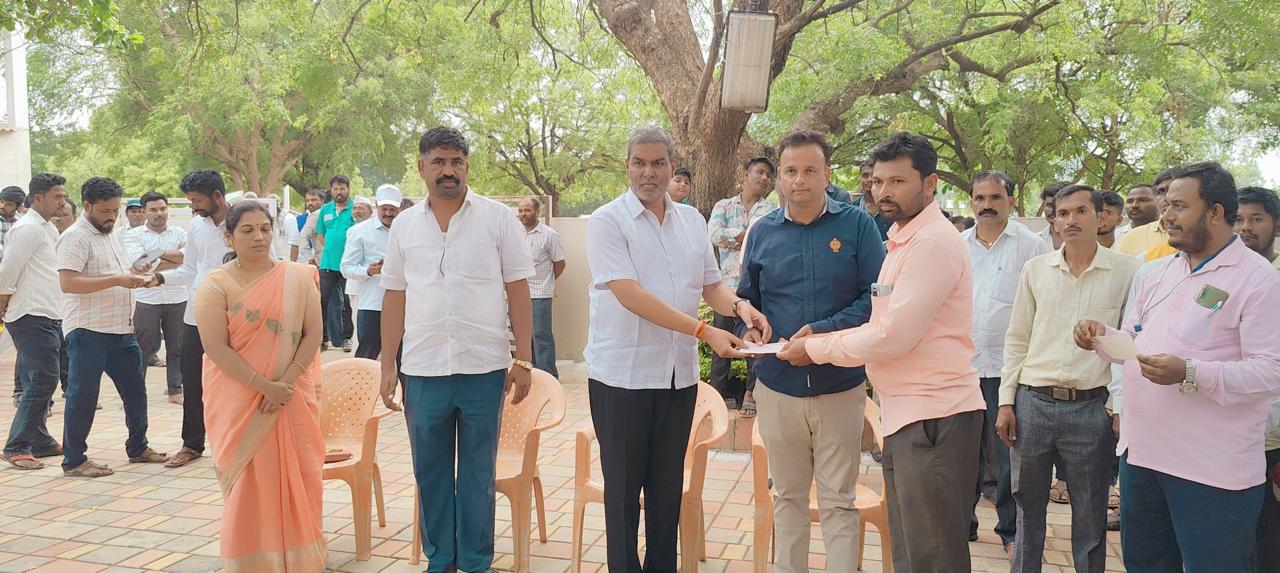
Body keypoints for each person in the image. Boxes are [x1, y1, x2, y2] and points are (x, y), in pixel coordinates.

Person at [778, 132, 986, 572]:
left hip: (933, 415)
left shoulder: (930, 244)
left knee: (933, 554)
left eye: (898, 181)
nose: (884, 191)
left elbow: (892, 336)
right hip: (908, 414)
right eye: (878, 181)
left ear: (930, 184)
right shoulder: (903, 239)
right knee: (911, 547)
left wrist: (816, 347)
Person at [1075, 162, 1280, 571]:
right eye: (1166, 205)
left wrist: (1189, 372)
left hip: (1211, 471)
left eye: (1180, 206)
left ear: (1215, 212)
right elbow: (1137, 340)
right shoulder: (1159, 272)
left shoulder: (1258, 280)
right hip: (1143, 457)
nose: (1166, 215)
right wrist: (1101, 338)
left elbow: (1271, 371)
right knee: (1146, 564)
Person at [585, 126, 768, 573]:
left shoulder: (691, 220)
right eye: (639, 163)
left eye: (658, 163)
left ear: (671, 166)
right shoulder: (607, 221)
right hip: (622, 377)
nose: (648, 172)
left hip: (676, 377)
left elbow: (711, 286)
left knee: (667, 489)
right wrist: (703, 332)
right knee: (623, 491)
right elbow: (630, 295)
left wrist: (741, 308)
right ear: (627, 166)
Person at [378, 127, 536, 573]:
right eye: (439, 162)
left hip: (483, 368)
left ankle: (475, 561)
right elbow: (394, 295)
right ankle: (440, 560)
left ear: (467, 166)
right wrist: (388, 364)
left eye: (456, 162)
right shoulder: (405, 225)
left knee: (478, 473)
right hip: (422, 368)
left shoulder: (498, 219)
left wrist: (523, 358)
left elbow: (518, 289)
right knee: (429, 471)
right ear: (422, 167)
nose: (448, 170)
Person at [737, 129, 885, 573]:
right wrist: (750, 324)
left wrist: (819, 336)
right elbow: (748, 299)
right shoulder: (762, 232)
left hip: (839, 383)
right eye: (790, 171)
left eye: (809, 170)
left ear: (827, 174)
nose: (799, 180)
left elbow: (877, 298)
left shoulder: (857, 226)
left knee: (839, 500)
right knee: (787, 497)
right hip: (778, 387)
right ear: (779, 177)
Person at [996, 185, 1139, 572]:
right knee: (1027, 508)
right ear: (1054, 220)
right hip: (1032, 404)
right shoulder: (1036, 269)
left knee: (1090, 514)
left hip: (1091, 408)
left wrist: (1117, 406)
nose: (1070, 220)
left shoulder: (1128, 271)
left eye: (1080, 211)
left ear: (1101, 217)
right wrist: (1007, 401)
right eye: (1062, 213)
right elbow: (1017, 338)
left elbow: (1130, 345)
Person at [195, 201, 327, 572]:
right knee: (250, 482)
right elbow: (215, 347)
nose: (259, 237)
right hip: (239, 398)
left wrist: (283, 384)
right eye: (248, 230)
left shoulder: (298, 277)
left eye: (265, 228)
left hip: (290, 395)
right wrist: (264, 387)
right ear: (229, 237)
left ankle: (302, 561)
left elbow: (313, 333)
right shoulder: (215, 284)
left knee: (302, 475)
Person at [961, 169, 1048, 554]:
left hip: (1009, 370)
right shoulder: (957, 246)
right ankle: (962, 526)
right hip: (963, 367)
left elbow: (1044, 306)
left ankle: (1011, 533)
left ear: (1011, 201)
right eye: (979, 198)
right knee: (963, 454)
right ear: (971, 202)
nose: (987, 205)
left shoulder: (1031, 247)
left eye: (995, 198)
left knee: (1010, 458)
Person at [57, 177, 167, 477]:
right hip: (88, 330)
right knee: (83, 397)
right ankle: (74, 460)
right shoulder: (75, 237)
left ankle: (138, 447)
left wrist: (135, 273)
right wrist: (118, 279)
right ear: (87, 206)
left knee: (136, 392)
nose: (112, 216)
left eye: (116, 210)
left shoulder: (111, 234)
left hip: (121, 329)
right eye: (105, 211)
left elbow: (116, 273)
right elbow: (68, 282)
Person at [153, 170, 231, 469]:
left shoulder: (244, 221)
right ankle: (192, 444)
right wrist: (160, 278)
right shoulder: (197, 225)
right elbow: (190, 269)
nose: (193, 207)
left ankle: (237, 443)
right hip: (197, 315)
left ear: (216, 196)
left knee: (236, 382)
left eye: (197, 200)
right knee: (193, 380)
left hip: (235, 316)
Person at [0, 174, 68, 470]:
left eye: (63, 196)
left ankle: (39, 440)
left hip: (49, 311)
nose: (62, 202)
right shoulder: (27, 228)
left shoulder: (47, 228)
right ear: (38, 198)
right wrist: (2, 305)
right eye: (57, 197)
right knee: (44, 378)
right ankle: (17, 446)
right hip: (30, 313)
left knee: (37, 379)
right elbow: (7, 271)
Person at [707, 157, 778, 415]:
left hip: (755, 288)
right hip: (725, 290)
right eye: (759, 172)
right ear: (746, 174)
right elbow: (713, 234)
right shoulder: (724, 205)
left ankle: (751, 391)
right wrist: (746, 236)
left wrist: (734, 237)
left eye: (768, 174)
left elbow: (768, 241)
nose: (764, 177)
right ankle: (718, 391)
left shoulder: (771, 210)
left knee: (756, 341)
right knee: (721, 341)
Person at [1234, 186, 1280, 569]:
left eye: (1256, 219)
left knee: (1268, 539)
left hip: (1272, 439)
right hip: (1226, 433)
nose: (1245, 227)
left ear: (1276, 225)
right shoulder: (1223, 277)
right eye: (1238, 219)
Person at [122, 192, 187, 403]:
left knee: (177, 346)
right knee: (141, 348)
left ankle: (175, 390)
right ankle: (135, 394)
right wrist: (173, 257)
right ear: (144, 212)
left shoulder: (179, 232)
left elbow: (188, 259)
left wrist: (155, 254)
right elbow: (139, 264)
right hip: (147, 297)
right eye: (153, 210)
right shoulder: (134, 235)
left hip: (177, 295)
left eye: (162, 209)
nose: (159, 213)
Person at [341, 184, 401, 359]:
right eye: (384, 209)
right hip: (373, 304)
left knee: (403, 357)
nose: (388, 213)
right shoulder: (359, 232)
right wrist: (368, 270)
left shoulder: (408, 229)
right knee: (367, 355)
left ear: (399, 208)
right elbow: (346, 268)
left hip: (404, 303)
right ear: (376, 206)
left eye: (392, 209)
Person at [517, 196, 566, 377]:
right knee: (524, 336)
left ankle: (548, 377)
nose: (523, 214)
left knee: (541, 336)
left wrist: (548, 282)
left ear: (537, 212)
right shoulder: (515, 233)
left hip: (540, 294)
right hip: (519, 295)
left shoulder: (549, 235)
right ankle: (532, 375)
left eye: (527, 210)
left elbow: (560, 264)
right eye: (520, 211)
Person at [314, 175, 356, 352]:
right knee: (321, 302)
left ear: (348, 189)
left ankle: (347, 338)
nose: (339, 192)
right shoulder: (326, 209)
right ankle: (322, 339)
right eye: (336, 189)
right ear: (331, 191)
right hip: (327, 264)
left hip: (349, 265)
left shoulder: (355, 208)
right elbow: (320, 234)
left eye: (342, 188)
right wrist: (332, 249)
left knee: (348, 303)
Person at [1115, 169, 1177, 260]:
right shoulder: (1131, 237)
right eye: (1161, 191)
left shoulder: (1197, 235)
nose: (1134, 205)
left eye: (1143, 200)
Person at [854, 159, 893, 241]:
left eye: (874, 176)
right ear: (860, 178)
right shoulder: (853, 209)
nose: (869, 179)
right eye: (865, 175)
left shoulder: (892, 208)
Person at [291, 188, 325, 264]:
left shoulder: (320, 214)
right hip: (322, 262)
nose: (310, 203)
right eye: (307, 200)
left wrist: (310, 258)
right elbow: (302, 237)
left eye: (313, 200)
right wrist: (310, 258)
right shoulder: (309, 217)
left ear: (322, 201)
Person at [1037, 182, 1069, 250]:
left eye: (1057, 205)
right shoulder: (1034, 240)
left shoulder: (1084, 240)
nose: (1052, 210)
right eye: (1049, 205)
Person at [0, 186, 25, 261]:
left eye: (8, 204)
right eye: (1, 202)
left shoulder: (22, 222)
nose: (2, 206)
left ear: (18, 207)